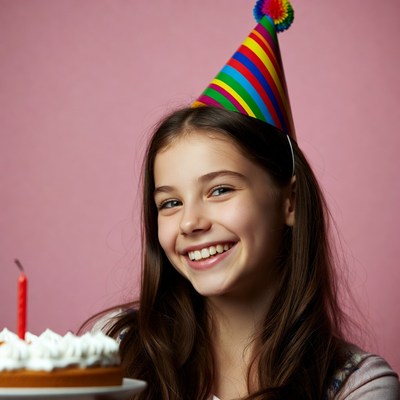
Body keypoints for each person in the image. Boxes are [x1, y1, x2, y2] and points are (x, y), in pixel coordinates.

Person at [84, 1, 400, 399]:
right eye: (170, 203)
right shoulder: (114, 348)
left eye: (219, 190)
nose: (189, 223)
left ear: (290, 203)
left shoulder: (358, 385)